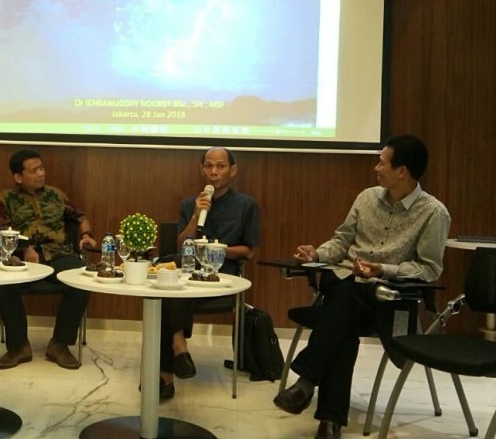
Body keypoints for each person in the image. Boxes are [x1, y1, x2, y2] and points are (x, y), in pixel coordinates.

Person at [273, 135, 450, 439]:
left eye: (382, 161)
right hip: (346, 285)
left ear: (402, 171)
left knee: (343, 314)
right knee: (346, 299)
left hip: (386, 297)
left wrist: (383, 269)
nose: (376, 167)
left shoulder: (434, 213)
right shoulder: (366, 198)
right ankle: (325, 416)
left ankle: (312, 393)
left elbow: (429, 269)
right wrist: (317, 253)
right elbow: (342, 241)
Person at [158, 147, 260, 400]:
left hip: (222, 275)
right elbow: (181, 246)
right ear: (202, 169)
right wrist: (195, 215)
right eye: (209, 166)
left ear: (232, 170)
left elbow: (249, 251)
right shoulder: (189, 204)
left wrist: (216, 250)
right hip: (188, 272)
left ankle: (165, 374)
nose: (214, 172)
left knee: (168, 295)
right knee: (166, 289)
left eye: (221, 166)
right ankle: (178, 352)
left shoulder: (247, 205)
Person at [0, 149, 95, 370]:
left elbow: (80, 217)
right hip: (22, 257)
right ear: (18, 177)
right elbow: (2, 230)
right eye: (34, 170)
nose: (41, 174)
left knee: (82, 278)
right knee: (2, 284)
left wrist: (87, 235)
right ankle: (18, 346)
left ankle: (60, 344)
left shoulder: (56, 195)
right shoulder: (5, 198)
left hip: (58, 253)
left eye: (42, 168)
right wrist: (25, 247)